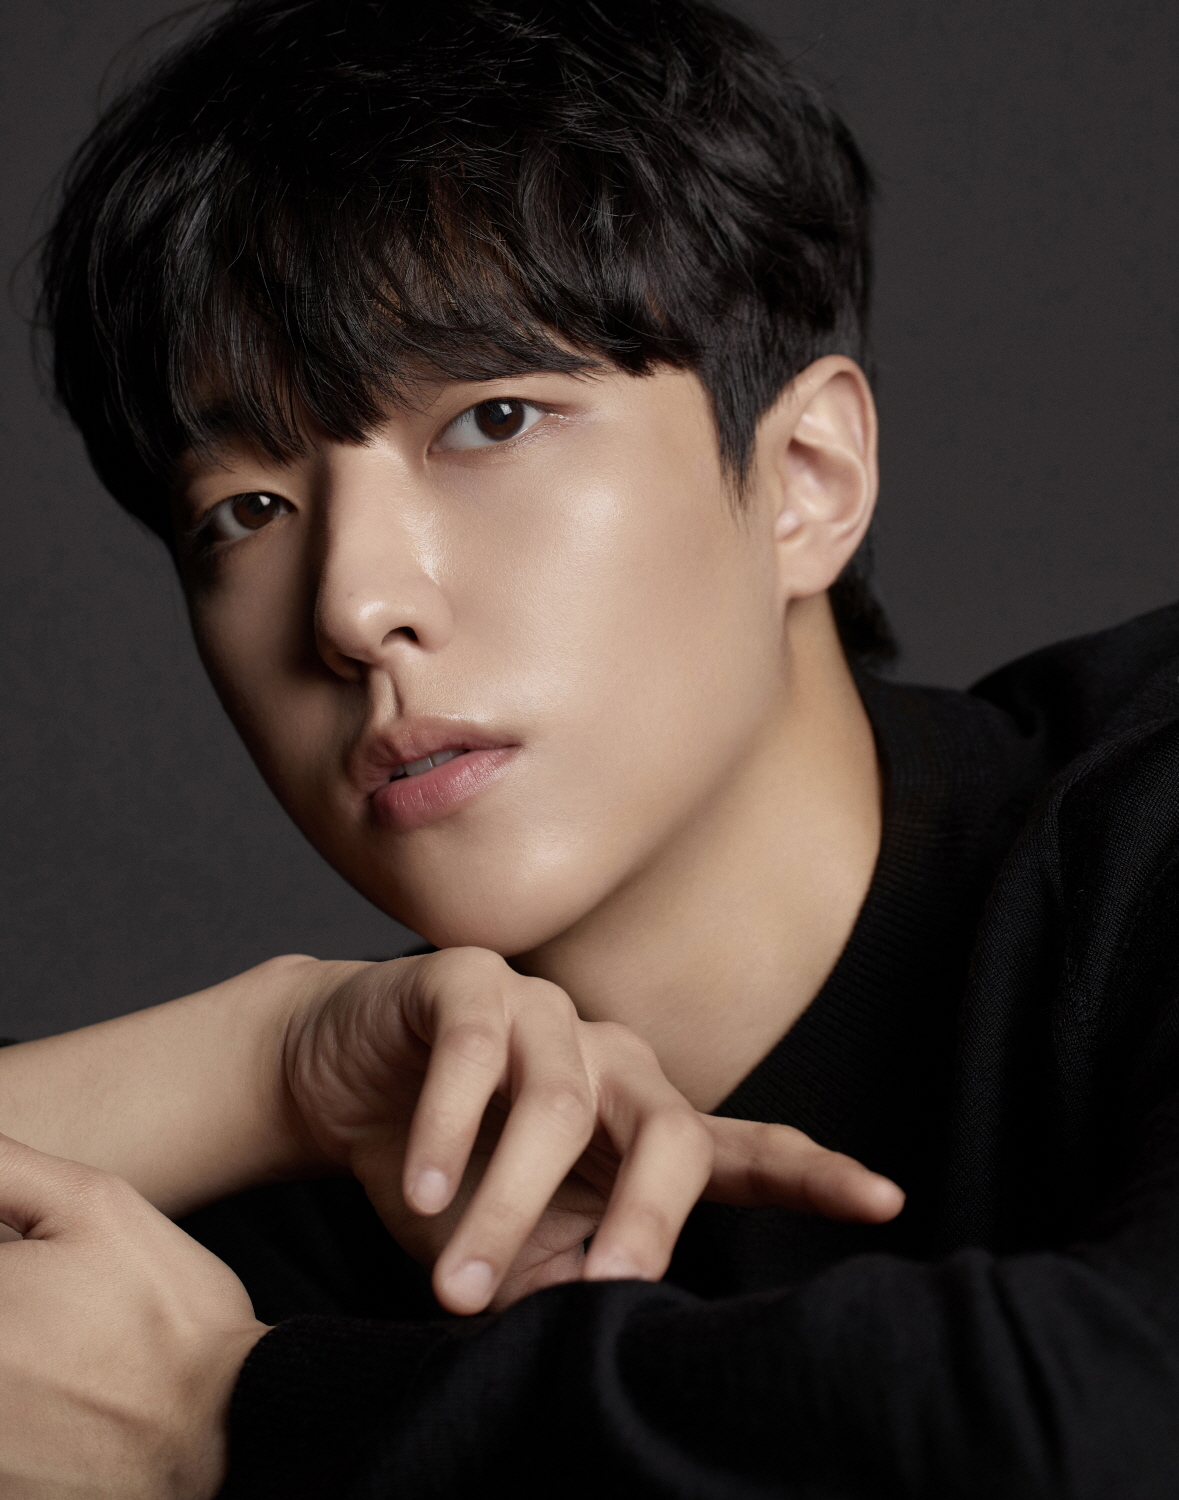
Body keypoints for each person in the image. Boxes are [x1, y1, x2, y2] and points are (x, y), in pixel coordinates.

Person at [2, 0, 1178, 1494]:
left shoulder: (1145, 825)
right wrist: (256, 1071)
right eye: (246, 511)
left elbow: (1115, 1414)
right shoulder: (345, 1164)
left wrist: (233, 1420)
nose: (352, 607)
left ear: (808, 479)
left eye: (492, 420)